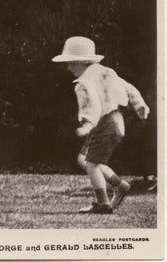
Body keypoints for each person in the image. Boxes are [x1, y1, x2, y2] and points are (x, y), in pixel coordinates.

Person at [52, 36, 150, 214]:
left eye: (71, 62)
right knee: (84, 159)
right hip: (116, 121)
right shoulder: (106, 72)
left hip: (104, 122)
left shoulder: (84, 84)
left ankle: (102, 203)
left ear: (82, 61)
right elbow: (127, 87)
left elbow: (91, 105)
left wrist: (87, 124)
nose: (68, 67)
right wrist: (140, 104)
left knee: (91, 164)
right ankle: (119, 186)